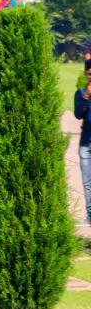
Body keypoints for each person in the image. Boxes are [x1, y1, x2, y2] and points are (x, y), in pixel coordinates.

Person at [74, 56, 91, 224]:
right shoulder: (80, 93)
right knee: (87, 182)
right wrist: (86, 98)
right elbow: (78, 114)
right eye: (89, 73)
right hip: (86, 142)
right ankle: (90, 216)